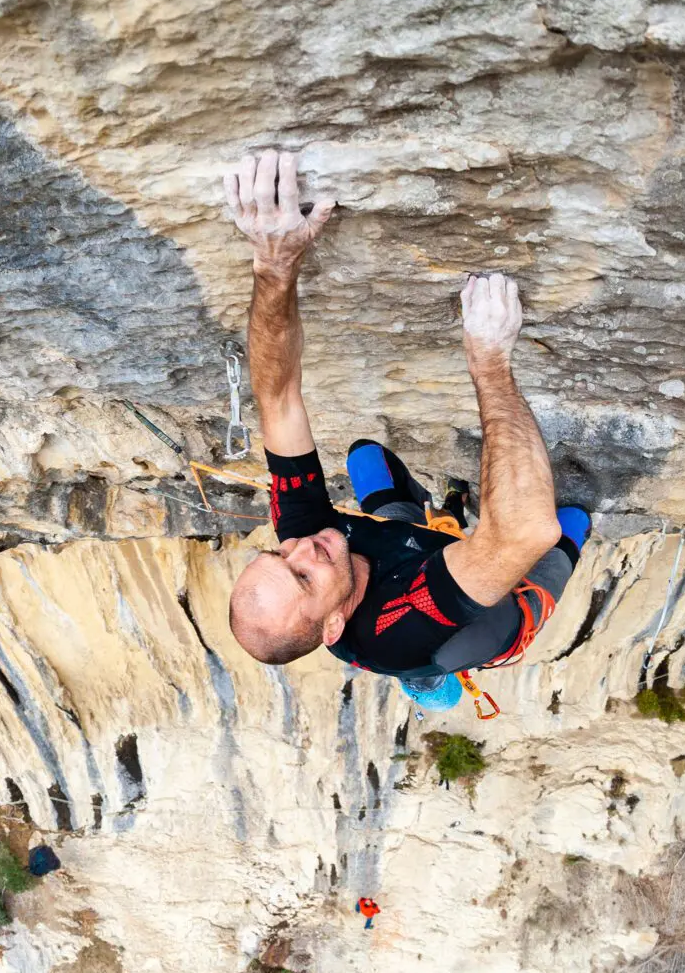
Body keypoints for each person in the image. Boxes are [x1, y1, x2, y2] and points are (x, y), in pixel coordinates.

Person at [221, 151, 590, 706]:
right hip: (497, 613)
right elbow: (522, 533)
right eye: (302, 579)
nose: (303, 550)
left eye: (276, 556)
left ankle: (421, 514)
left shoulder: (305, 541)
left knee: (366, 461)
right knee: (567, 526)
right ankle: (442, 668)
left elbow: (278, 399)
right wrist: (489, 359)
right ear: (333, 628)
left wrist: (274, 264)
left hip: (408, 557)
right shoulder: (397, 628)